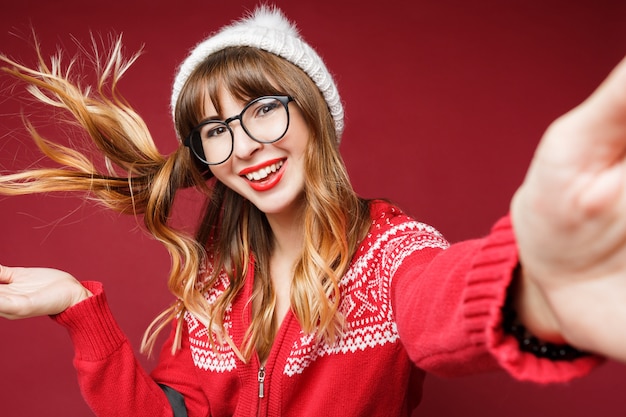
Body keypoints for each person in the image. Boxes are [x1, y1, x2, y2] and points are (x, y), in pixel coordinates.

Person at [0, 4, 625, 416]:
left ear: (312, 114)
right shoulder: (213, 286)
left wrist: (534, 289)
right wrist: (79, 311)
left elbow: (440, 300)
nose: (244, 146)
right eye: (215, 130)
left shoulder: (390, 252)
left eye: (263, 109)